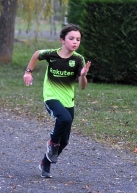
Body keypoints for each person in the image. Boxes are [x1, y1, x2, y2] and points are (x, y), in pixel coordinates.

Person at [23, 23, 91, 178]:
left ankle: (45, 163)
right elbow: (36, 54)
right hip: (51, 97)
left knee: (65, 141)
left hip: (68, 101)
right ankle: (52, 143)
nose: (75, 42)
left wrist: (82, 75)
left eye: (78, 39)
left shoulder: (79, 59)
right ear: (62, 40)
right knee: (64, 119)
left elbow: (82, 87)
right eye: (71, 38)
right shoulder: (51, 54)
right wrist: (28, 72)